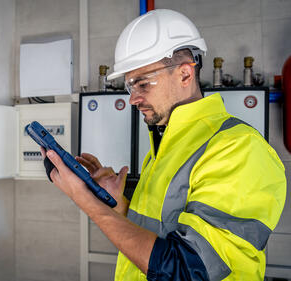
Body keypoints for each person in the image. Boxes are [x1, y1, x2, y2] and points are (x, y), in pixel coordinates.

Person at [42, 9, 287, 281]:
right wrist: (115, 205)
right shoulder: (165, 147)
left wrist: (89, 203)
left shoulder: (238, 148)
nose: (133, 99)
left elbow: (187, 270)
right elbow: (158, 231)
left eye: (142, 84)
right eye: (129, 87)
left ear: (184, 75)